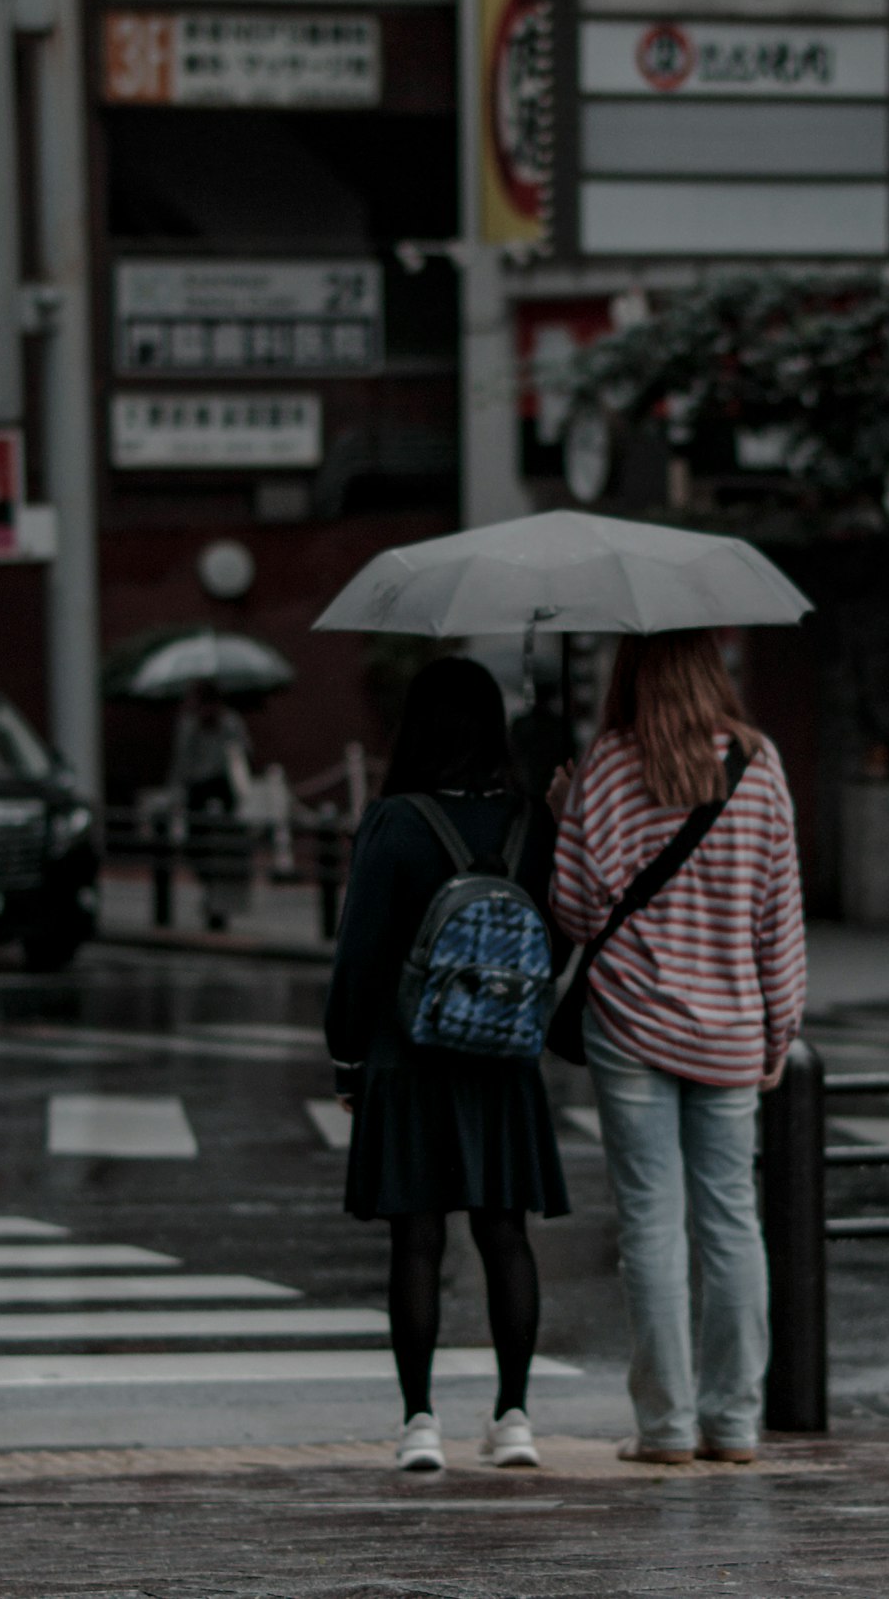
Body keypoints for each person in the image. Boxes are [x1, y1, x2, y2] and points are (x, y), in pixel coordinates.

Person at [550, 630, 805, 1467]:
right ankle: (734, 1423)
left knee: (651, 1225)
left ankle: (664, 1427)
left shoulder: (610, 764)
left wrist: (566, 817)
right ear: (711, 669)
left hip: (629, 1021)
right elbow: (780, 911)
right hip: (732, 1025)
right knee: (732, 1222)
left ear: (632, 669)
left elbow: (579, 913)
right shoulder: (759, 763)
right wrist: (781, 1027)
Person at [324, 656, 567, 1475]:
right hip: (501, 1059)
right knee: (506, 1235)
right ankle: (516, 1415)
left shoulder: (395, 821)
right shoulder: (535, 820)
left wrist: (348, 1058)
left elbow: (358, 956)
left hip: (409, 1051)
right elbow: (555, 943)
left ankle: (420, 1420)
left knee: (417, 1240)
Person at [171, 679, 257, 931]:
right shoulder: (189, 725)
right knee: (196, 848)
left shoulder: (230, 723)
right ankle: (210, 894)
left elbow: (243, 755)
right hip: (196, 793)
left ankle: (218, 904)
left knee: (222, 851)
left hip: (222, 791)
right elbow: (181, 764)